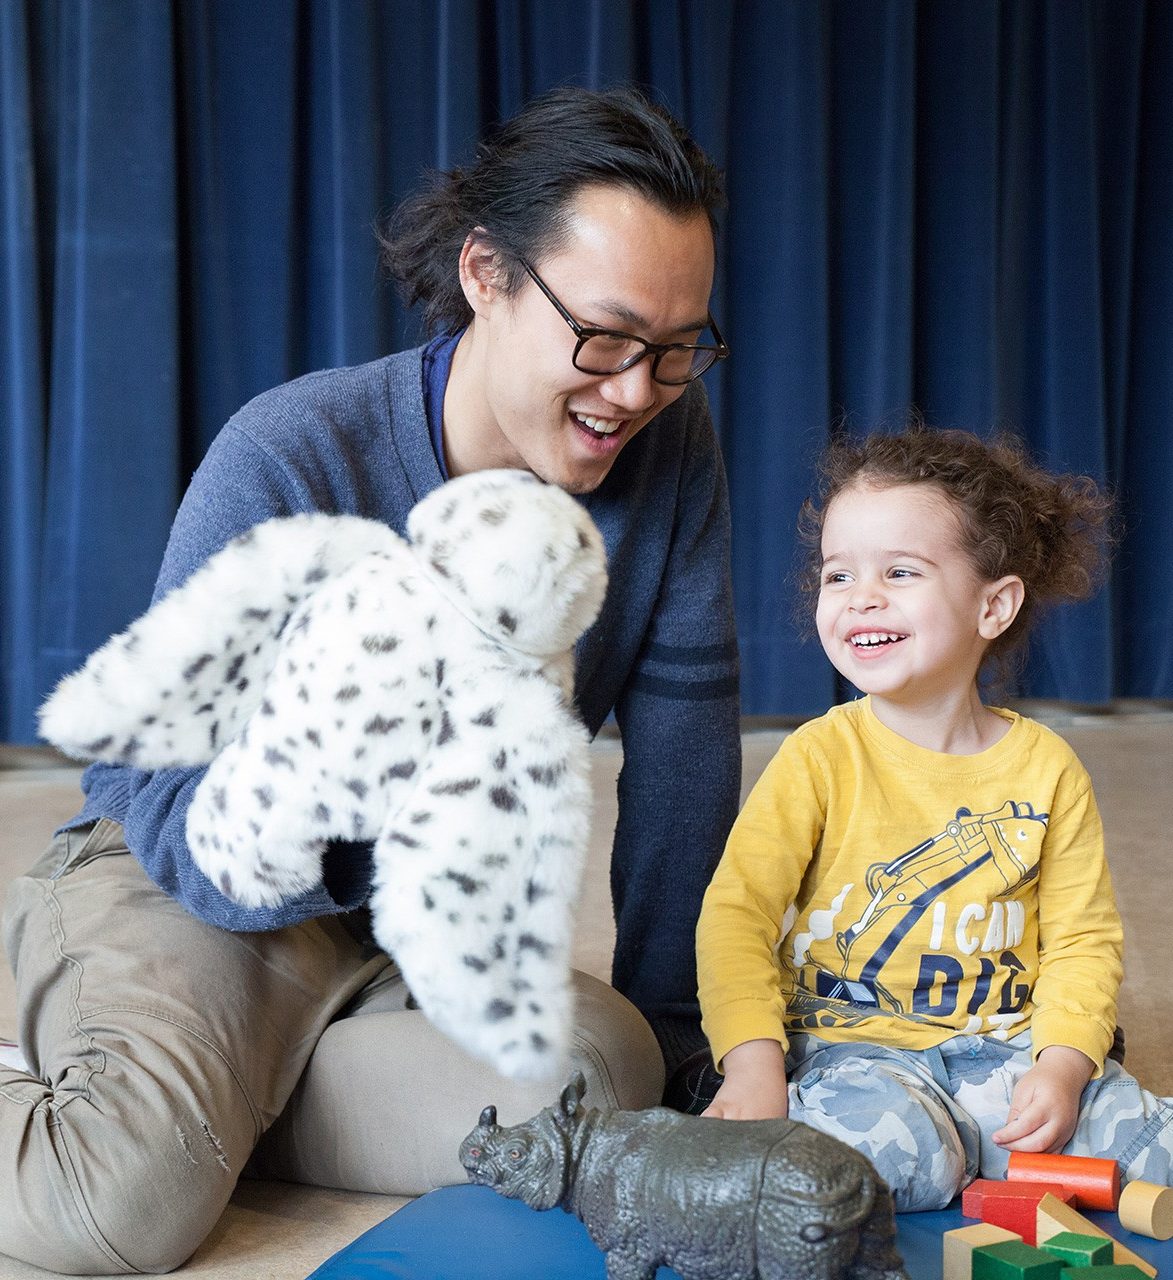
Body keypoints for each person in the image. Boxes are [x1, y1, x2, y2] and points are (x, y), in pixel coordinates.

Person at [0, 85, 742, 1274]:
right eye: (604, 340)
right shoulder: (291, 452)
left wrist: (691, 1040)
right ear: (489, 276)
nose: (634, 392)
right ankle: (141, 1085)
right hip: (182, 890)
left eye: (677, 351)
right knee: (117, 1211)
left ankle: (213, 1096)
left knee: (609, 1073)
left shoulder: (667, 445)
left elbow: (685, 764)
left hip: (389, 940)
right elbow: (174, 811)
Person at [696, 425, 1173, 1211]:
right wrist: (751, 1064)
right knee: (900, 1166)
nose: (860, 596)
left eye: (900, 571)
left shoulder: (1047, 766)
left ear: (993, 605)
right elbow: (735, 918)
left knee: (1149, 1150)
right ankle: (921, 1151)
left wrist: (1060, 1064)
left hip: (1004, 1048)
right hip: (854, 1052)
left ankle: (985, 1143)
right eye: (837, 573)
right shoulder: (817, 757)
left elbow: (1082, 942)